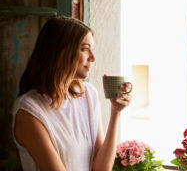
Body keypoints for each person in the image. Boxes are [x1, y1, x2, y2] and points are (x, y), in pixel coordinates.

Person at [12, 16, 132, 171]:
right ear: (61, 52)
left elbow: (102, 168)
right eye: (84, 49)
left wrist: (116, 112)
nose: (92, 58)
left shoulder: (89, 94)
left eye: (92, 49)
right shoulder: (29, 110)